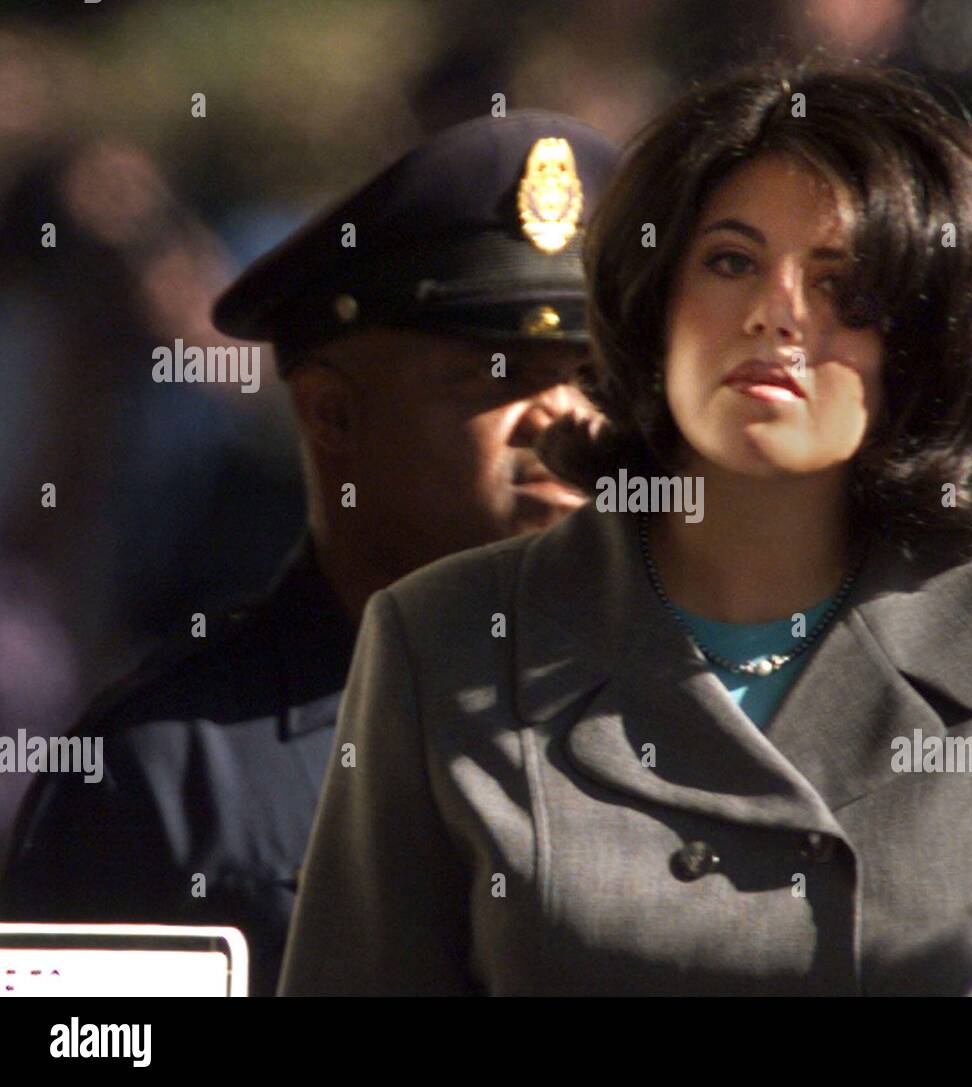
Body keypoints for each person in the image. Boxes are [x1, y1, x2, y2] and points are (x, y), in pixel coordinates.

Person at [279, 60, 972, 997]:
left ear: (928, 340)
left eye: (843, 284)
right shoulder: (445, 635)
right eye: (731, 261)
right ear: (655, 307)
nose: (776, 314)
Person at [0, 111, 621, 997]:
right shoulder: (169, 772)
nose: (566, 418)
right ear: (332, 414)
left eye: (593, 376)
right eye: (500, 375)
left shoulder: (680, 722)